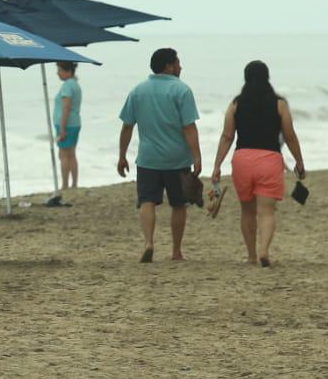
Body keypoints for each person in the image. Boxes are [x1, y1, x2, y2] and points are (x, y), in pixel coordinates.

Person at [210, 60, 305, 267]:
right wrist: (299, 161)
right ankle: (264, 251)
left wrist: (217, 165)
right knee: (267, 211)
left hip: (243, 160)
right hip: (269, 160)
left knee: (247, 211)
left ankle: (252, 255)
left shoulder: (236, 103)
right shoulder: (279, 103)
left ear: (245, 77)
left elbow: (227, 136)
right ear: (267, 77)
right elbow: (289, 136)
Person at [117, 48, 201, 263]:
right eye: (178, 62)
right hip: (177, 159)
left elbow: (127, 126)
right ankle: (176, 251)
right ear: (168, 66)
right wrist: (197, 156)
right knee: (178, 204)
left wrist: (122, 155)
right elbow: (189, 127)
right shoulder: (182, 90)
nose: (180, 67)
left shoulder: (138, 91)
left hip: (148, 159)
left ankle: (149, 243)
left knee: (147, 201)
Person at [53, 62, 82, 191]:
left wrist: (63, 129)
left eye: (59, 70)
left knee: (64, 155)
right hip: (74, 123)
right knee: (71, 155)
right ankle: (74, 184)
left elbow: (66, 107)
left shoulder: (67, 86)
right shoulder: (75, 84)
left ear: (68, 71)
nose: (57, 73)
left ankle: (65, 185)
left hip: (67, 124)